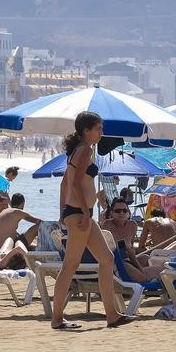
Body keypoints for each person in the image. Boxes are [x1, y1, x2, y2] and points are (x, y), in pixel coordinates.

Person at [49, 111, 130, 330]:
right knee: (70, 266)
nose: (102, 132)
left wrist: (62, 212)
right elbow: (74, 183)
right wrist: (84, 212)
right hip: (80, 213)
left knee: (106, 258)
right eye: (98, 128)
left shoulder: (82, 150)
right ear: (86, 130)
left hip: (76, 212)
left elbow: (64, 183)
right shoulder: (84, 150)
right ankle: (56, 319)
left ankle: (111, 314)